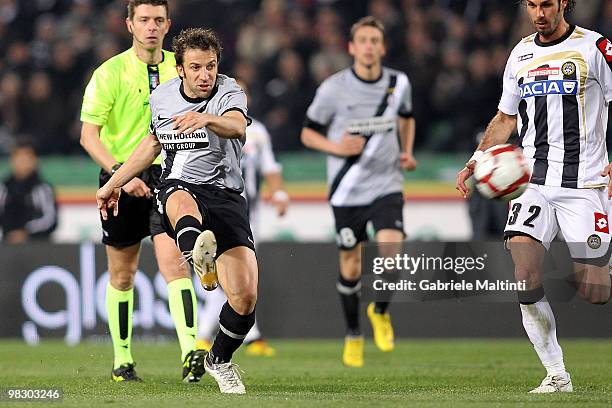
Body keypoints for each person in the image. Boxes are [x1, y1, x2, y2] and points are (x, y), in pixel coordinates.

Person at [456, 0, 612, 393]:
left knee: (595, 291)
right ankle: (557, 374)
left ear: (564, 4)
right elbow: (506, 118)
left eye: (546, 4)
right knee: (524, 274)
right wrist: (477, 160)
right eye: (532, 5)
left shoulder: (594, 48)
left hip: (585, 184)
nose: (539, 13)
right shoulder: (520, 54)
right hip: (534, 182)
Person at [96, 27, 256, 394]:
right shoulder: (163, 97)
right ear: (180, 70)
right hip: (178, 186)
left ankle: (219, 360)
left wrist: (206, 119)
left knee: (244, 300)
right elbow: (151, 145)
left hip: (227, 196)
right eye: (196, 67)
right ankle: (196, 252)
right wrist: (111, 185)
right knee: (180, 198)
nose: (205, 75)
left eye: (211, 66)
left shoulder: (230, 92)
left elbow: (235, 125)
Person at [80, 0, 204, 383]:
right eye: (144, 20)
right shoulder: (109, 72)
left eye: (158, 20)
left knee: (176, 265)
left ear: (169, 25)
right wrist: (119, 174)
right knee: (122, 274)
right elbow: (89, 136)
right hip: (120, 177)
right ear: (129, 24)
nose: (151, 27)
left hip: (170, 175)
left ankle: (189, 355)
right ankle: (122, 360)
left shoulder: (181, 68)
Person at [300, 16, 417, 368]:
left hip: (386, 184)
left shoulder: (399, 83)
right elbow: (307, 133)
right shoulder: (333, 89)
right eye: (362, 40)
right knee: (350, 266)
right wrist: (338, 148)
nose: (368, 46)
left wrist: (406, 149)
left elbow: (407, 117)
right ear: (351, 48)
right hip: (346, 191)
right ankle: (353, 333)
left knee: (392, 254)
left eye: (374, 40)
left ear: (382, 47)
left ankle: (379, 310)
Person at [196, 79, 289, 357]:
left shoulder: (257, 131)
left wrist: (279, 192)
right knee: (228, 277)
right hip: (214, 208)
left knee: (238, 277)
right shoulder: (206, 122)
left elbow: (269, 166)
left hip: (250, 215)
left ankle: (209, 337)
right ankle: (220, 337)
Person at [0, 141, 57, 242]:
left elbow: (50, 220)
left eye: (26, 158)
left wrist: (26, 232)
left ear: (34, 161)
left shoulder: (43, 189)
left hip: (37, 245)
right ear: (12, 161)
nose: (22, 162)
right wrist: (9, 234)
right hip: (6, 246)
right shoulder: (3, 188)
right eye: (18, 158)